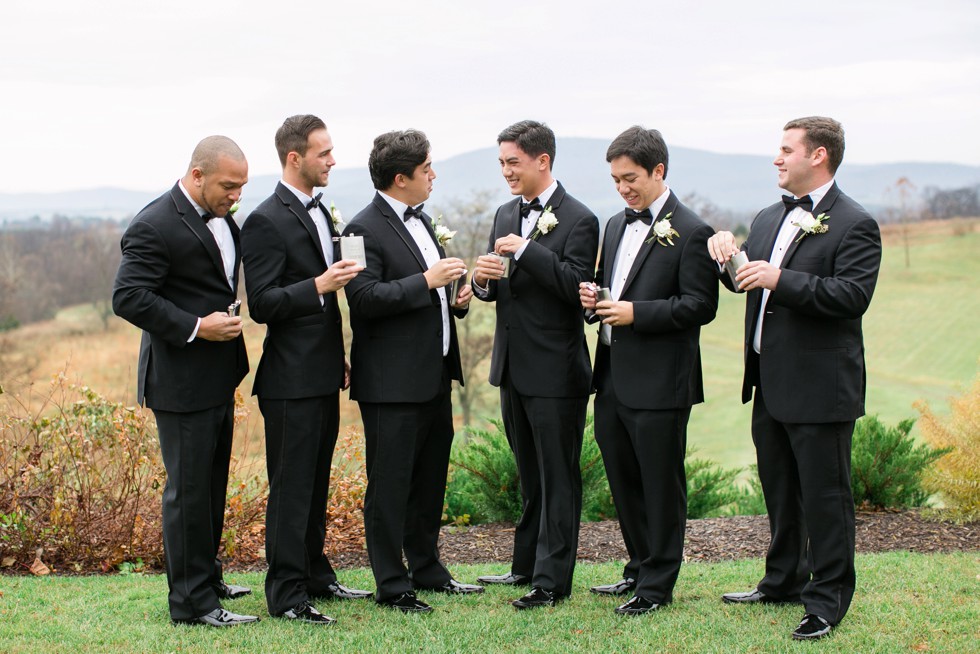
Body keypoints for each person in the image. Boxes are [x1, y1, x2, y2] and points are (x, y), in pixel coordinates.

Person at [706, 116, 882, 641]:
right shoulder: (766, 217)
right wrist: (724, 254)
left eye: (786, 150)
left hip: (821, 387)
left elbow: (852, 296)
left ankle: (827, 600)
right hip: (769, 383)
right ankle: (781, 579)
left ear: (819, 155)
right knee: (781, 492)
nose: (777, 159)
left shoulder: (855, 223)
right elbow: (745, 279)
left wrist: (782, 279)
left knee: (826, 499)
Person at [112, 136, 257, 627]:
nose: (235, 195)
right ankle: (191, 605)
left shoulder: (223, 219)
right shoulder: (153, 224)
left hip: (218, 377)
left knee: (211, 487)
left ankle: (208, 577)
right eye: (227, 185)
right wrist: (198, 327)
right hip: (179, 381)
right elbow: (128, 297)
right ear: (197, 175)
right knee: (188, 492)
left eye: (240, 187)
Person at [579, 126, 718, 615]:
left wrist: (637, 313)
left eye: (631, 178)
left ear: (659, 170)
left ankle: (657, 586)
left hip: (662, 382)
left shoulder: (693, 230)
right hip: (612, 374)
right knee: (623, 479)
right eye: (616, 179)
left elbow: (700, 305)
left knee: (660, 485)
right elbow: (609, 283)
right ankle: (638, 568)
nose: (623, 188)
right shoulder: (616, 224)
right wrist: (593, 298)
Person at [341, 129, 482, 613]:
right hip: (390, 385)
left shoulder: (423, 221)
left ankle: (428, 568)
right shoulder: (358, 231)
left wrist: (454, 300)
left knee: (428, 480)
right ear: (401, 178)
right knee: (390, 485)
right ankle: (392, 584)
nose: (433, 176)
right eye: (427, 169)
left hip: (434, 376)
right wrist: (426, 281)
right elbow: (361, 299)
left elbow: (430, 295)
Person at [240, 114, 371, 626]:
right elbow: (264, 304)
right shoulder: (265, 220)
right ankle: (287, 594)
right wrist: (318, 285)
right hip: (289, 381)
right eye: (324, 153)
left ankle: (317, 574)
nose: (333, 160)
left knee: (316, 482)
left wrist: (336, 351)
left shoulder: (320, 212)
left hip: (320, 372)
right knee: (292, 488)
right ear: (295, 158)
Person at [471, 120, 599, 609]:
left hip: (556, 371)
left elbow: (574, 289)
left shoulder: (580, 219)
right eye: (502, 163)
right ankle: (524, 565)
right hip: (512, 367)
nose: (506, 172)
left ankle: (551, 580)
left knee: (558, 475)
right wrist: (483, 281)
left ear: (542, 161)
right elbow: (500, 285)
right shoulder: (505, 212)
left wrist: (527, 249)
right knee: (529, 472)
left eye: (513, 162)